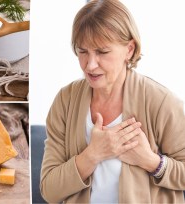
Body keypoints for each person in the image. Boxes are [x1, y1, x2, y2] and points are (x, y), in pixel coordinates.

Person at [40, 0, 185, 203]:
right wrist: (92, 155)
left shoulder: (161, 102)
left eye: (102, 52)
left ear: (129, 49)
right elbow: (49, 190)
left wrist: (152, 162)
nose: (90, 65)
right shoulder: (65, 101)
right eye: (82, 51)